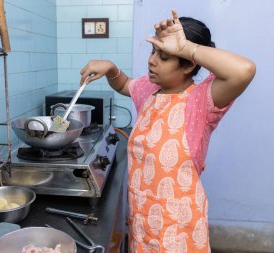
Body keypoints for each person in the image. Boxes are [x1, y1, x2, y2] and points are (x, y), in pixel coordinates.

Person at [79, 9, 256, 253]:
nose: (152, 61)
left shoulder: (201, 100)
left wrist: (186, 47)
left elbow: (244, 70)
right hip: (142, 221)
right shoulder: (148, 90)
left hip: (179, 230)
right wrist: (111, 68)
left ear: (189, 64)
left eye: (164, 56)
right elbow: (123, 84)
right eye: (153, 51)